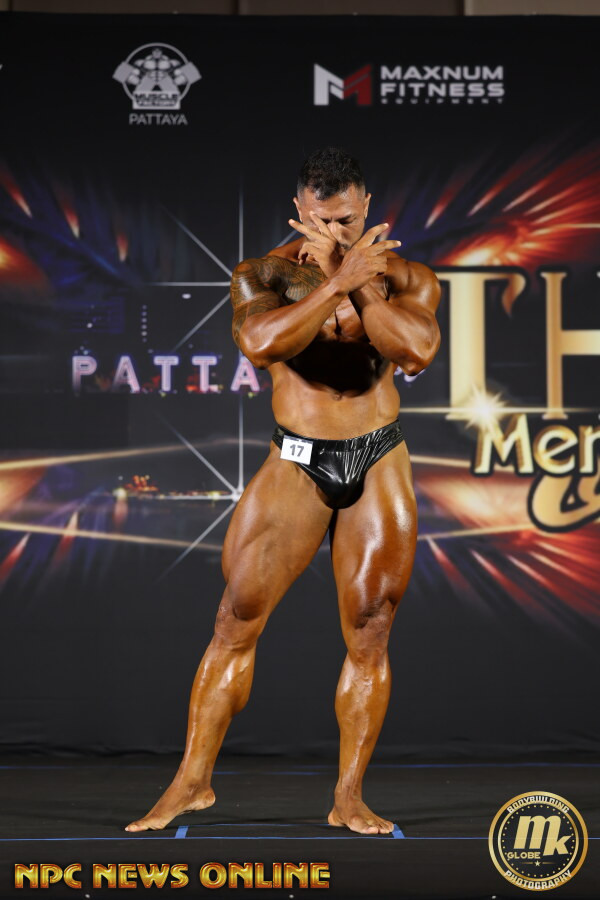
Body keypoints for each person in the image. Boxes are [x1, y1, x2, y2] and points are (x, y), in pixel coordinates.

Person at [126, 147, 441, 836]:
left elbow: (415, 350)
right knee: (235, 618)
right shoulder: (261, 273)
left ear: (367, 207)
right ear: (300, 211)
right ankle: (191, 783)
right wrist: (333, 284)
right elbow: (261, 345)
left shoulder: (406, 276)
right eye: (323, 221)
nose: (337, 232)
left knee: (371, 628)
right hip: (296, 459)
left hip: (377, 457)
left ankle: (348, 797)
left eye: (348, 219)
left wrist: (360, 284)